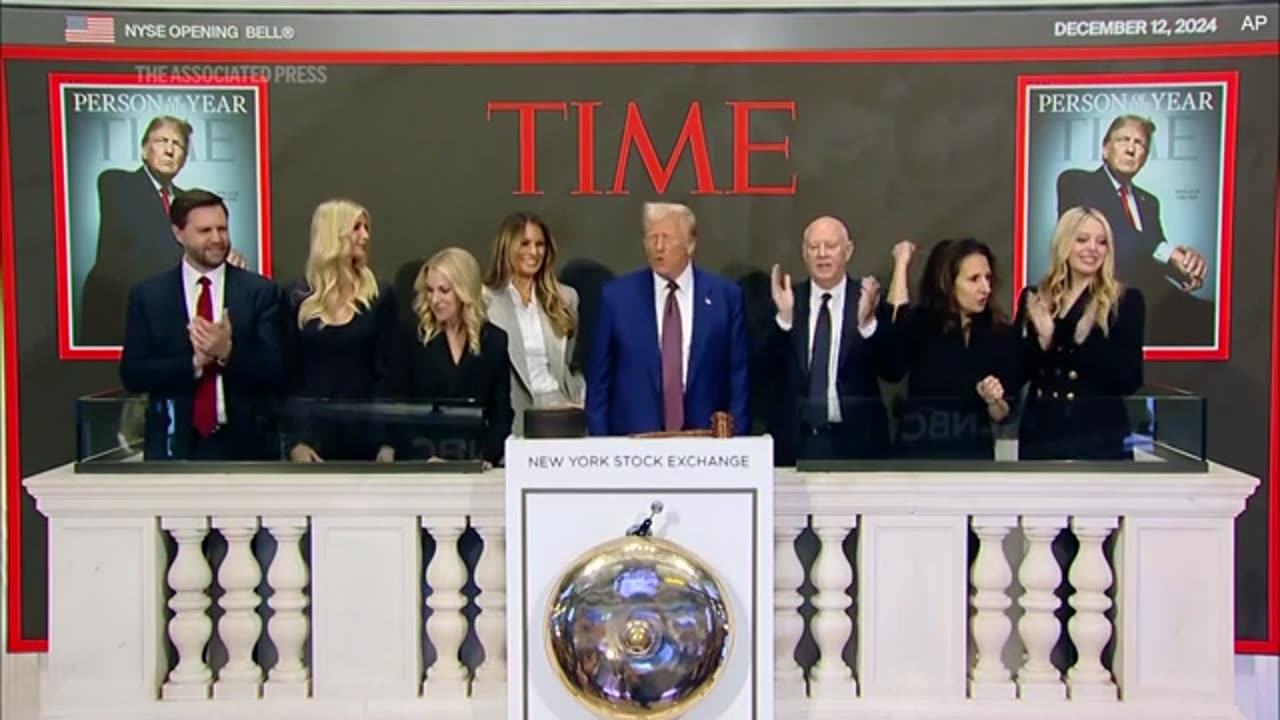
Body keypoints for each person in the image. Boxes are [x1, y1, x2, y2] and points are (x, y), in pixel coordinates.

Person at [118, 189, 284, 460]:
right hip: (173, 446)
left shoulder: (260, 292)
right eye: (205, 230)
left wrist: (227, 352)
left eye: (222, 229)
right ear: (178, 233)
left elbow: (277, 368)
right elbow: (133, 373)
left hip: (244, 448)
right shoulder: (149, 296)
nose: (217, 239)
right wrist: (194, 362)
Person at [585, 202, 750, 436]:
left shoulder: (725, 298)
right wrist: (600, 449)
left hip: (706, 447)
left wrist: (737, 445)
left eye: (667, 238)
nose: (658, 247)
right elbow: (599, 383)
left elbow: (738, 378)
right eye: (652, 238)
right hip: (634, 449)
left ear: (690, 244)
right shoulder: (616, 299)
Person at [81, 116, 246, 347]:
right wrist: (203, 248)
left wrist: (222, 254)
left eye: (177, 144)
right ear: (144, 150)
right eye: (161, 141)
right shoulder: (117, 183)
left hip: (166, 318)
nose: (169, 150)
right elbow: (148, 241)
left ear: (185, 158)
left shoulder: (188, 202)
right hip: (116, 311)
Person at [1056, 113, 1211, 347]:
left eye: (1140, 144)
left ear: (1145, 157)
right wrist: (1169, 253)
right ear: (1105, 149)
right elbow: (1116, 235)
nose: (1131, 149)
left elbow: (1154, 254)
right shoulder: (1076, 182)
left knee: (1210, 318)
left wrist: (1186, 267)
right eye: (1123, 140)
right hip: (1099, 300)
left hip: (1150, 301)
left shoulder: (1149, 202)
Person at [1016, 206, 1145, 460]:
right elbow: (1018, 369)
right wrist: (1040, 338)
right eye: (1082, 240)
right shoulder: (1035, 299)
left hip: (1097, 437)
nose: (1092, 249)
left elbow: (1130, 379)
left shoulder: (1125, 301)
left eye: (1101, 242)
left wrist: (1064, 337)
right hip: (1042, 435)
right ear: (1064, 243)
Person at [764, 215, 896, 465]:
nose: (822, 254)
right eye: (814, 247)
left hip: (857, 445)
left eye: (831, 246)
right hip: (796, 446)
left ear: (848, 251)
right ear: (804, 253)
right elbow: (763, 369)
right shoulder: (788, 299)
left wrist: (867, 325)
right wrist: (784, 321)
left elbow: (892, 370)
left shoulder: (869, 299)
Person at [281, 199, 398, 462]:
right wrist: (296, 441)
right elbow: (290, 377)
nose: (365, 236)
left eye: (366, 228)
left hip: (367, 437)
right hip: (312, 438)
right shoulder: (296, 297)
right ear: (333, 234)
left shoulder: (380, 295)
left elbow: (387, 375)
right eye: (356, 228)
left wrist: (387, 441)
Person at [882, 238, 1020, 459]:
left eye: (987, 278)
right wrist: (901, 266)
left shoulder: (1000, 334)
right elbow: (892, 358)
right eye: (974, 279)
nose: (985, 288)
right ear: (947, 283)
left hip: (972, 457)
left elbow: (1004, 414)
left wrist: (994, 399)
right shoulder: (921, 324)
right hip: (919, 453)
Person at [381, 247, 512, 467]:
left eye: (444, 290)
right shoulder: (409, 338)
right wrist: (423, 458)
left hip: (475, 464)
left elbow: (501, 413)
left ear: (464, 291)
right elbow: (399, 409)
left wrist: (484, 458)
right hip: (421, 463)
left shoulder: (494, 341)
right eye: (430, 290)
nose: (435, 300)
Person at [481, 211, 585, 435]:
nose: (533, 252)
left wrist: (578, 397)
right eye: (525, 243)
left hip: (559, 408)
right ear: (506, 247)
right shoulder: (484, 300)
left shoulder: (566, 298)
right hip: (511, 411)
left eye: (540, 245)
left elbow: (570, 363)